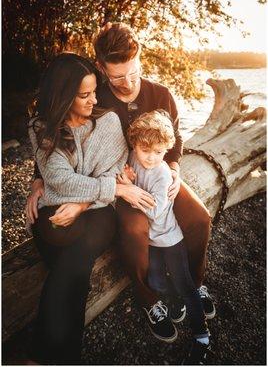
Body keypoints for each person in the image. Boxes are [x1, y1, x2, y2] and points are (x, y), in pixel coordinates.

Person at [26, 23, 215, 344]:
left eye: (134, 72)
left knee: (199, 218)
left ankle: (195, 283)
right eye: (117, 77)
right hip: (116, 183)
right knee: (133, 230)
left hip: (158, 173)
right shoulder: (94, 99)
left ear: (140, 60)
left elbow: (176, 138)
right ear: (101, 68)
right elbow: (62, 136)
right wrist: (37, 179)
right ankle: (148, 299)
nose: (127, 83)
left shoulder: (160, 94)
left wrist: (173, 166)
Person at [26, 53, 132, 364]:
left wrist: (83, 202)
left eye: (94, 92)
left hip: (99, 211)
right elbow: (58, 179)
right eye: (84, 95)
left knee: (77, 255)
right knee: (73, 259)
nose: (93, 100)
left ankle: (40, 357)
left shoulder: (108, 122)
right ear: (62, 95)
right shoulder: (42, 126)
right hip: (56, 210)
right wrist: (108, 188)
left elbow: (115, 169)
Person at [117, 110, 212, 364]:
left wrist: (131, 190)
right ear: (134, 144)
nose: (151, 158)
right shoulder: (131, 158)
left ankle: (202, 334)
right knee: (157, 282)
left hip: (170, 239)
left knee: (185, 284)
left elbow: (157, 211)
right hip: (152, 242)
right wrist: (124, 179)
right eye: (145, 150)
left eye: (159, 152)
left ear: (166, 150)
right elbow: (123, 170)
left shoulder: (160, 173)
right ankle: (173, 301)